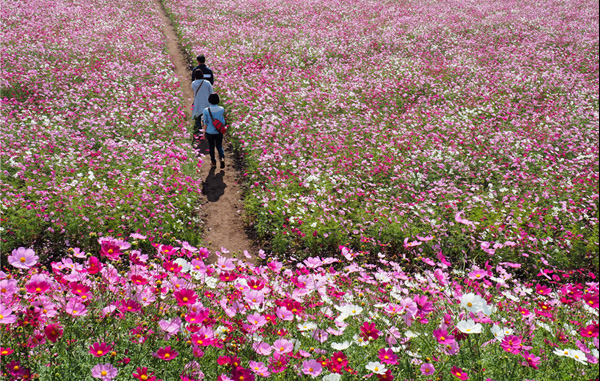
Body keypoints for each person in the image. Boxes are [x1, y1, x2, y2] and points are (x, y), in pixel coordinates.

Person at [203, 93, 226, 169]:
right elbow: (222, 121)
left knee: (211, 146)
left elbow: (205, 122)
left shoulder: (206, 110)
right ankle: (222, 158)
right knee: (219, 146)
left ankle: (213, 161)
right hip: (218, 131)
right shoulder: (222, 109)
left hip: (209, 132)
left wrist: (204, 133)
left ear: (209, 100)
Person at [192, 70, 213, 137]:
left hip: (198, 102)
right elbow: (211, 93)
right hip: (207, 102)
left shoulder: (193, 83)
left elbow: (193, 89)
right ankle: (206, 131)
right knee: (206, 118)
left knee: (198, 117)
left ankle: (199, 132)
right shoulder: (207, 83)